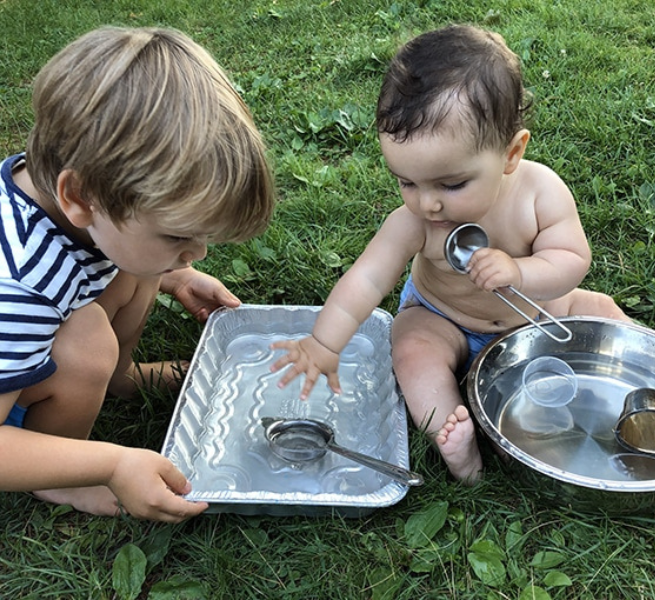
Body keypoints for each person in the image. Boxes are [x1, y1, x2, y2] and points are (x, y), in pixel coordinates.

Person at [270, 25, 629, 483]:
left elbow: (572, 260)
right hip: (446, 318)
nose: (427, 203)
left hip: (539, 314)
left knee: (597, 309)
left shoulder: (539, 193)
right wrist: (324, 343)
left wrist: (519, 270)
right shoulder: (414, 223)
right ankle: (454, 434)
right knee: (411, 347)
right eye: (407, 182)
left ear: (511, 153)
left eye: (451, 184)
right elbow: (366, 281)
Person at [0, 26, 275, 521]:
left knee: (138, 267)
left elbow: (115, 248)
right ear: (80, 197)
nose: (200, 253)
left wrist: (171, 271)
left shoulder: (71, 202)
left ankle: (119, 380)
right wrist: (112, 463)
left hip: (0, 353)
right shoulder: (9, 283)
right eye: (177, 236)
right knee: (87, 345)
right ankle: (62, 474)